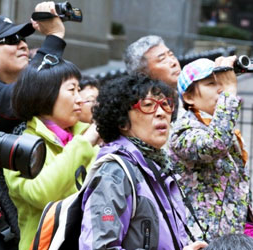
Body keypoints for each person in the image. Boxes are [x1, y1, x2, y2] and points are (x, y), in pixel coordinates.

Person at [79, 75, 207, 249]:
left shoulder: (156, 164)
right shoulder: (115, 173)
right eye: (148, 105)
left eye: (165, 104)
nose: (161, 113)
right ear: (123, 121)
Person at [8, 57, 100, 249]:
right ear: (44, 94)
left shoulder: (87, 134)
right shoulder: (19, 146)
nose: (80, 99)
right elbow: (42, 194)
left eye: (79, 90)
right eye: (71, 90)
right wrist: (84, 143)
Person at [169, 57, 251, 241]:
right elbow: (215, 144)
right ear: (188, 97)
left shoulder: (221, 126)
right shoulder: (183, 132)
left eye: (221, 82)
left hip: (230, 237)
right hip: (202, 241)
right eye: (211, 83)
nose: (220, 88)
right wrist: (229, 92)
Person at [0, 1, 66, 133]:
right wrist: (54, 36)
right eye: (12, 39)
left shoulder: (18, 85)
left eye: (23, 39)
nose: (23, 45)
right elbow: (26, 92)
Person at [124, 35, 183, 119]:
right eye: (162, 59)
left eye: (171, 55)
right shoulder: (144, 114)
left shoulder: (189, 95)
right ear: (143, 74)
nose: (173, 62)